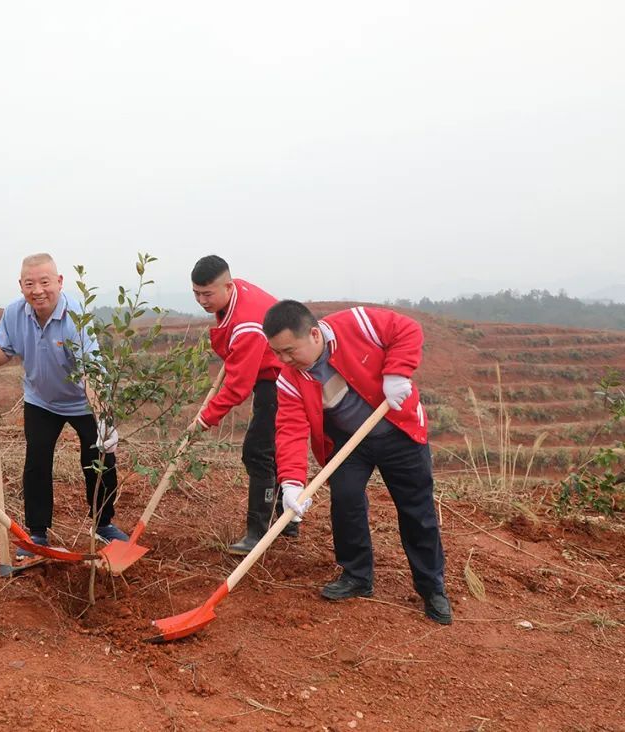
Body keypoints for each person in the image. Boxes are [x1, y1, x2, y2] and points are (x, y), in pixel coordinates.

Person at [264, 299, 452, 624]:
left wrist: (397, 372)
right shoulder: (289, 378)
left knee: (416, 510)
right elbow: (290, 430)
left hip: (398, 432)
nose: (283, 360)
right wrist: (292, 482)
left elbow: (407, 330)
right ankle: (356, 576)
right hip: (348, 442)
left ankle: (432, 587)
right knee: (346, 501)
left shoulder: (357, 323)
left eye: (289, 351)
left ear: (314, 334)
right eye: (277, 352)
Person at [0, 253, 128, 557]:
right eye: (30, 283)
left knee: (98, 458)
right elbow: (5, 354)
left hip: (81, 401)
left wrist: (103, 420)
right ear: (21, 285)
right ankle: (38, 533)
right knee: (37, 462)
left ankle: (104, 523)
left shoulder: (75, 316)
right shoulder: (15, 313)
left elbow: (90, 372)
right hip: (40, 400)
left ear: (59, 282)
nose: (38, 290)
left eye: (45, 282)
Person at [189, 255, 293, 555]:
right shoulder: (236, 295)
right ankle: (289, 518)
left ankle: (258, 534)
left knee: (258, 452)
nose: (201, 300)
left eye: (207, 294)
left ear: (228, 286)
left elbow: (236, 388)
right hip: (270, 369)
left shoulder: (247, 326)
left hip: (282, 377)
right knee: (271, 449)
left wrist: (205, 419)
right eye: (196, 293)